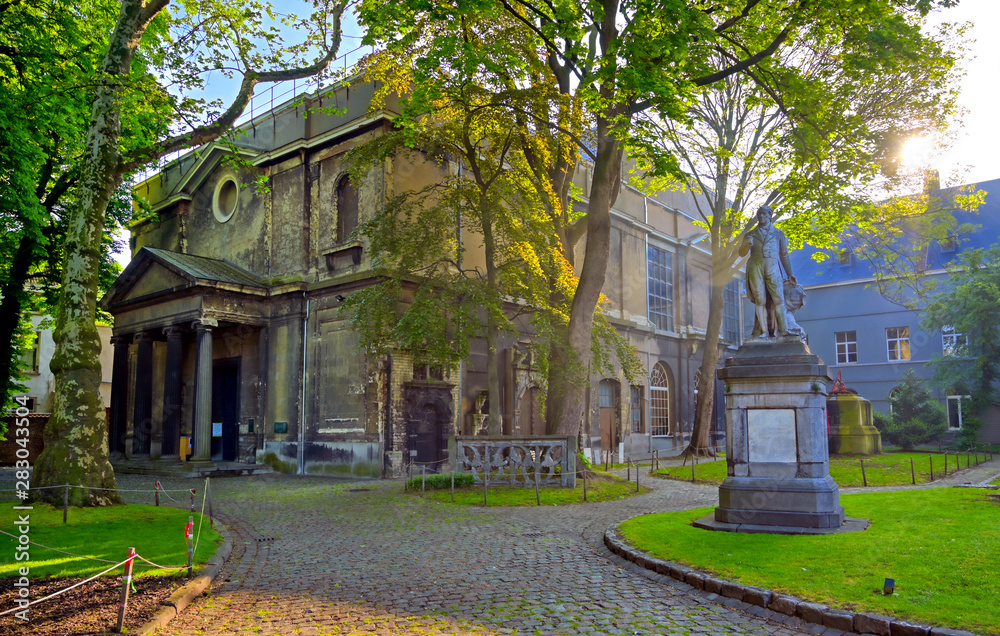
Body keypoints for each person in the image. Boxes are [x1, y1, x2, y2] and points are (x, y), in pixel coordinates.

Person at [740, 205, 797, 337]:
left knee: (779, 299)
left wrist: (790, 274)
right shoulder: (751, 234)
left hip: (773, 266)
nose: (761, 216)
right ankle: (763, 332)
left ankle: (783, 330)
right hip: (756, 267)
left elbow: (784, 255)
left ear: (770, 215)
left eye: (764, 214)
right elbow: (741, 253)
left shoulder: (778, 234)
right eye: (759, 214)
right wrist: (746, 244)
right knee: (760, 300)